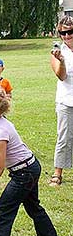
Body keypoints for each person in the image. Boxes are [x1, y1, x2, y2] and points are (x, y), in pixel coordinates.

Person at [0, 86, 59, 236]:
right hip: (29, 168)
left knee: (1, 212)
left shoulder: (0, 132)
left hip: (25, 173)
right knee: (34, 208)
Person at [49, 15, 73, 187]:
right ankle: (58, 173)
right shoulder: (58, 53)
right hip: (65, 100)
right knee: (63, 137)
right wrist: (62, 61)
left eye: (70, 32)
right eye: (63, 33)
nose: (67, 36)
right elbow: (61, 76)